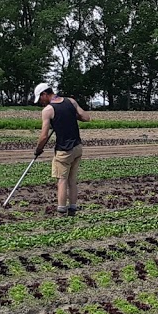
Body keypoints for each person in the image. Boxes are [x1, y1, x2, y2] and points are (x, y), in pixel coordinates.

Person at [33, 83, 91, 215]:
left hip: (64, 150)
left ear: (45, 94)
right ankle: (73, 208)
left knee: (62, 180)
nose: (40, 102)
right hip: (77, 147)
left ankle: (61, 209)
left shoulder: (48, 110)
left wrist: (38, 150)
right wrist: (71, 115)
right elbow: (86, 117)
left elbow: (43, 136)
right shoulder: (71, 101)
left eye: (40, 99)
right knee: (72, 180)